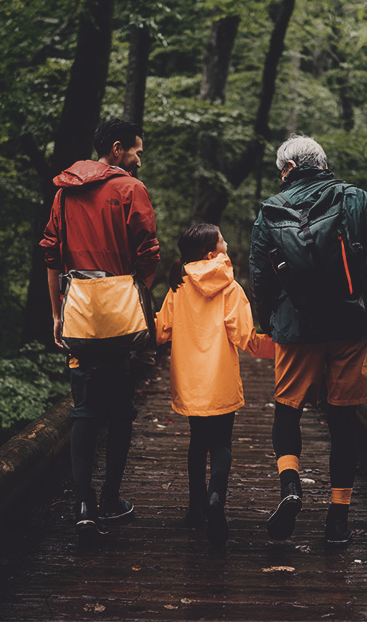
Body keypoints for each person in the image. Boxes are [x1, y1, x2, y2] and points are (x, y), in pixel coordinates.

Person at [249, 134, 367, 545]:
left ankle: (291, 487)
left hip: (297, 329)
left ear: (291, 168)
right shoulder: (355, 199)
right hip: (352, 325)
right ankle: (338, 518)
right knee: (344, 419)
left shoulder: (269, 211)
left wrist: (270, 323)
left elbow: (260, 278)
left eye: (282, 169)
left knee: (287, 409)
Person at [40, 118, 160, 542]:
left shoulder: (65, 191)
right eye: (136, 151)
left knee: (85, 408)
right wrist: (135, 291)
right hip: (121, 319)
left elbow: (52, 256)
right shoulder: (130, 189)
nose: (139, 159)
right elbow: (148, 251)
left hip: (79, 316)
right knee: (120, 408)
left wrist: (57, 314)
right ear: (116, 149)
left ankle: (83, 504)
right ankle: (110, 498)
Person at [155, 224, 274, 547]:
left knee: (198, 442)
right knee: (221, 444)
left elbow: (161, 330)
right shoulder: (230, 288)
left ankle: (196, 509)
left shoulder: (178, 287)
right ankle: (216, 498)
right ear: (212, 253)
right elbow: (245, 337)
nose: (226, 243)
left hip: (191, 382)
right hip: (220, 379)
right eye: (222, 240)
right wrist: (281, 346)